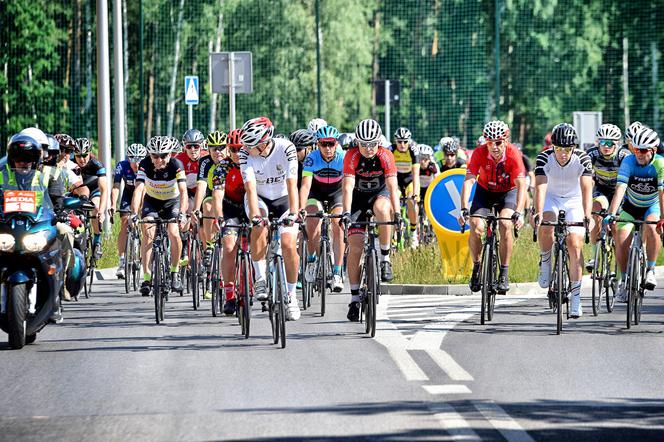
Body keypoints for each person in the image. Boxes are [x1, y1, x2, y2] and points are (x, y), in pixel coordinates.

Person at [239, 116, 302, 321]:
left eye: (250, 145)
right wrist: (256, 216)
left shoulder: (287, 148)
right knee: (258, 226)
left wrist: (294, 213)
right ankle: (260, 277)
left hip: (285, 198)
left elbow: (292, 183)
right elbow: (250, 188)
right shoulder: (244, 154)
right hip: (260, 198)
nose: (245, 148)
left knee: (288, 244)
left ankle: (291, 296)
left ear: (263, 142)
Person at [532, 123, 593, 318]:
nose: (563, 153)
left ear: (573, 148)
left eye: (567, 149)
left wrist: (587, 215)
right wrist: (538, 213)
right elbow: (540, 187)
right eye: (559, 149)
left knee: (574, 243)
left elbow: (586, 189)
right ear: (553, 147)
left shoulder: (583, 158)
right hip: (551, 198)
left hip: (574, 201)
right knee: (546, 223)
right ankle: (546, 261)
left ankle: (576, 298)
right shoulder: (543, 157)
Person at [458, 120, 527, 293]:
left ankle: (504, 272)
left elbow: (521, 186)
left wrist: (519, 212)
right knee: (475, 226)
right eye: (490, 143)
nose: (494, 147)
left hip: (508, 192)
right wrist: (463, 208)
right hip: (485, 191)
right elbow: (469, 180)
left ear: (505, 141)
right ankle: (477, 266)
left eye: (498, 143)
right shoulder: (479, 153)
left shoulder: (513, 154)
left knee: (505, 224)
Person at [342, 119, 400, 322]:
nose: (368, 148)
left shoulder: (386, 155)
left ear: (379, 142)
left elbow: (393, 187)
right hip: (357, 199)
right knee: (355, 247)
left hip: (379, 194)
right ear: (357, 142)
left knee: (383, 210)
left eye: (372, 143)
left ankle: (385, 259)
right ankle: (355, 297)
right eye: (363, 144)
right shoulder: (352, 155)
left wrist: (399, 214)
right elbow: (348, 187)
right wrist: (347, 213)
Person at [603, 126, 664, 302]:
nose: (638, 153)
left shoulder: (660, 163)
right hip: (631, 206)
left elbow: (662, 194)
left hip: (652, 207)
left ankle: (651, 270)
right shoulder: (629, 161)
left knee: (653, 229)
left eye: (643, 150)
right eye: (636, 149)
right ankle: (624, 280)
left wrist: (663, 219)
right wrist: (611, 213)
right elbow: (620, 188)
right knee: (621, 237)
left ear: (652, 150)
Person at [131, 136, 188, 296]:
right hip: (152, 202)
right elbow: (139, 189)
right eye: (155, 156)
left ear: (170, 155)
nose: (159, 160)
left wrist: (182, 214)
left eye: (163, 155)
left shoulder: (177, 165)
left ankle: (174, 273)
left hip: (172, 203)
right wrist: (134, 213)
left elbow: (183, 191)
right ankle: (147, 278)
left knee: (173, 232)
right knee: (148, 235)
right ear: (149, 155)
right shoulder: (144, 164)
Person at [300, 124, 345, 292]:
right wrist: (300, 208)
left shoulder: (343, 157)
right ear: (317, 144)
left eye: (331, 143)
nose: (327, 148)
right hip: (316, 192)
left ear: (336, 143)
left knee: (339, 225)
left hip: (337, 193)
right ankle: (311, 260)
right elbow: (305, 186)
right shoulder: (311, 158)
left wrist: (348, 208)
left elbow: (348, 186)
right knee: (311, 220)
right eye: (323, 144)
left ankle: (337, 272)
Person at [212, 129, 247, 315]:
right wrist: (219, 217)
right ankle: (230, 295)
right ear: (228, 150)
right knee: (228, 246)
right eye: (233, 149)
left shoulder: (254, 164)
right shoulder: (222, 168)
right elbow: (217, 196)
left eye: (242, 149)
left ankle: (257, 283)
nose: (237, 154)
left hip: (251, 208)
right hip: (230, 208)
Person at [585, 124, 629, 269]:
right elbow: (584, 178)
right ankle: (594, 254)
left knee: (616, 225)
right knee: (596, 211)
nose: (606, 146)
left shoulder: (624, 156)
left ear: (618, 143)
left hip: (620, 191)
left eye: (610, 143)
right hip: (602, 189)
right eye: (602, 142)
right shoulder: (592, 154)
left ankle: (619, 263)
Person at [192, 130, 228, 299]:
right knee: (207, 205)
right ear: (209, 149)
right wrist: (196, 209)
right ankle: (210, 244)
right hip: (212, 195)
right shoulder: (205, 162)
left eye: (221, 147)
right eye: (214, 148)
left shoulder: (232, 161)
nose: (218, 151)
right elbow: (200, 186)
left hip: (230, 197)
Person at [111, 143, 147, 278]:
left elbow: (144, 190)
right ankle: (122, 261)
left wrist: (139, 211)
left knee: (145, 223)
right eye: (133, 161)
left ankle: (144, 254)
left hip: (144, 193)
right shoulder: (122, 166)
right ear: (128, 159)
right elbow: (115, 186)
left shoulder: (147, 166)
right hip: (128, 194)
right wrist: (113, 204)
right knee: (125, 222)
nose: (136, 165)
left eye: (139, 161)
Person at [72, 137, 108, 259]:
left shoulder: (97, 164)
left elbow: (104, 189)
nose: (82, 159)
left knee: (95, 208)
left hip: (94, 190)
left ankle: (97, 241)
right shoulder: (71, 164)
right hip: (77, 191)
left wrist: (102, 212)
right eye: (78, 156)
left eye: (85, 155)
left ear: (90, 153)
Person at [389, 127, 421, 248]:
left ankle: (413, 231)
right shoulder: (391, 150)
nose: (402, 144)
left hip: (409, 180)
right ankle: (391, 234)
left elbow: (416, 174)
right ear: (395, 141)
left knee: (411, 201)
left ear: (409, 141)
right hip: (396, 180)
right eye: (399, 141)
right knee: (392, 202)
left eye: (405, 141)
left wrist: (416, 193)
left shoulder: (413, 150)